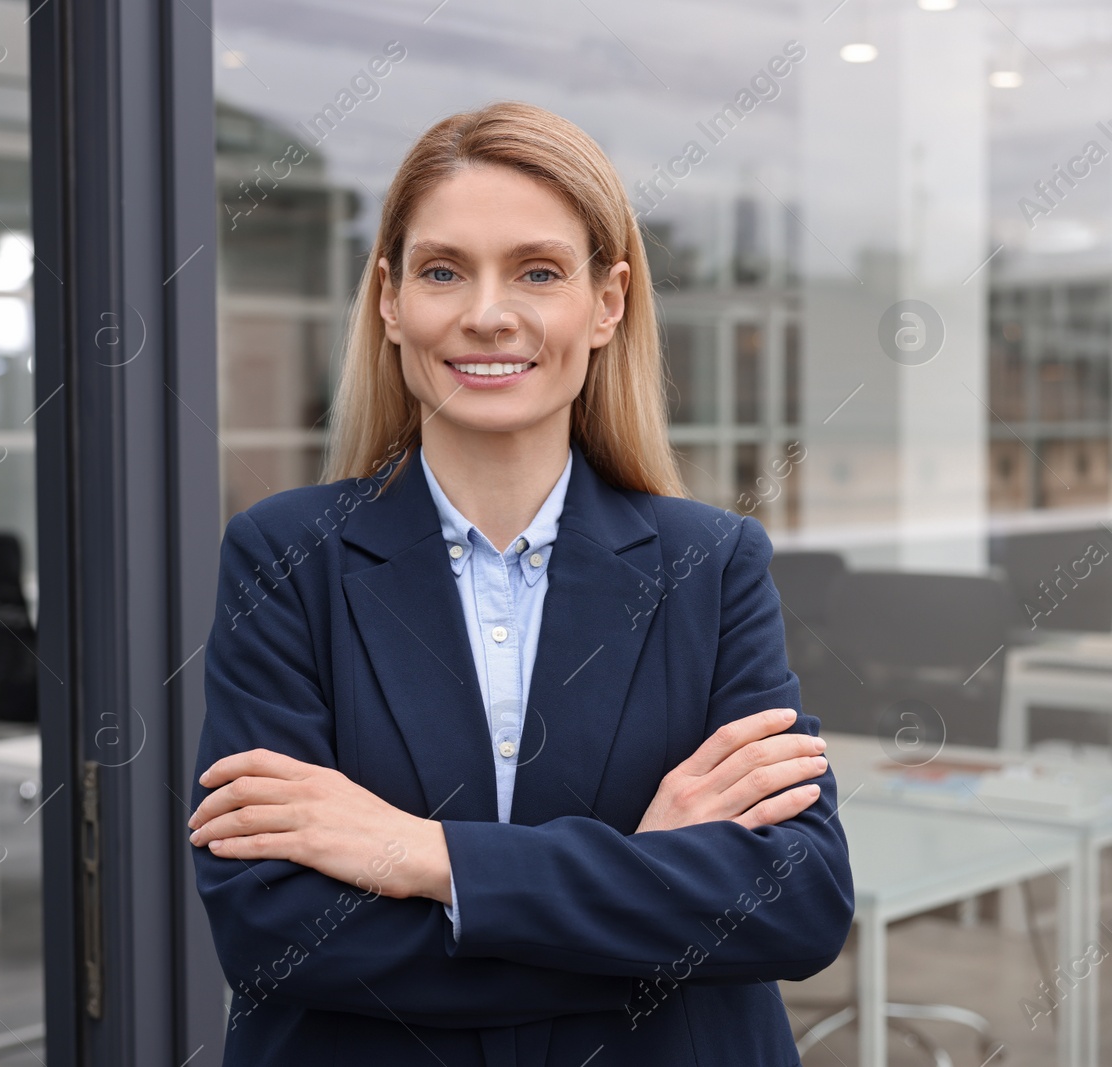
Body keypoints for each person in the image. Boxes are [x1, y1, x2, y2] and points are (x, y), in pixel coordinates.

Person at [187, 100, 852, 1067]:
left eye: (538, 272)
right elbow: (274, 931)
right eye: (443, 270)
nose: (487, 313)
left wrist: (425, 856)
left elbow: (794, 901)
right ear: (388, 298)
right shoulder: (284, 556)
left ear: (608, 302)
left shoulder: (711, 565)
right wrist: (648, 876)